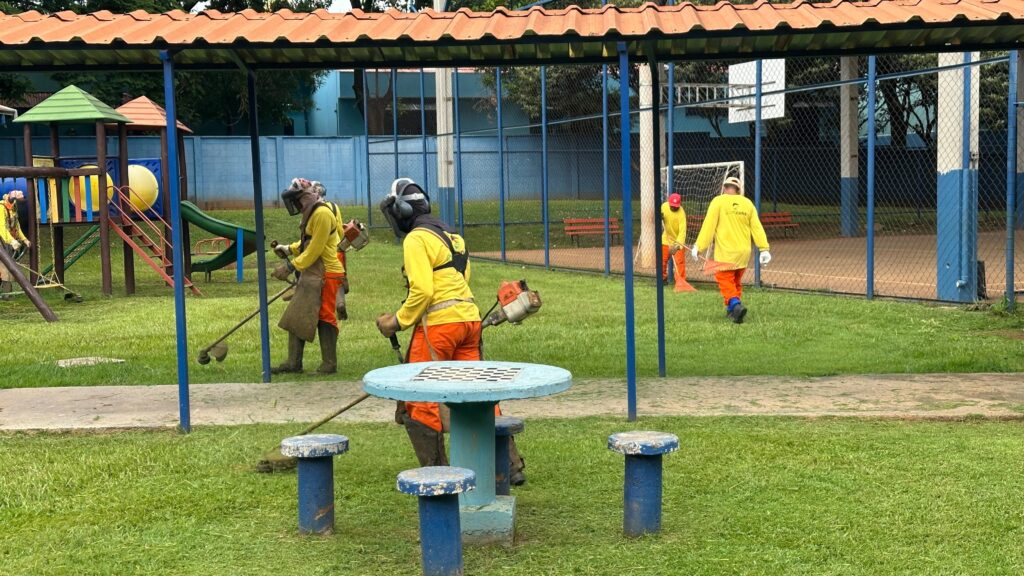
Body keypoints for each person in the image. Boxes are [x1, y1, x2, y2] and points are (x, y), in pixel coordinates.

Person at [375, 178, 525, 484]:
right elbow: (460, 280)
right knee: (476, 395)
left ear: (402, 211)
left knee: (418, 398)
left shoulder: (416, 238)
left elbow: (423, 292)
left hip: (441, 326)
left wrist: (397, 322)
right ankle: (508, 467)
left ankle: (437, 475)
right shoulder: (453, 237)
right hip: (468, 323)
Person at [271, 178, 344, 374]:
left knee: (325, 316)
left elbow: (315, 249)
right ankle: (293, 364)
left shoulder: (321, 214)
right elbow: (307, 243)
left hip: (328, 272)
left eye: (296, 200)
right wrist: (288, 249)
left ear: (305, 197)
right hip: (313, 271)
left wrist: (289, 266)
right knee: (297, 313)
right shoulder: (311, 214)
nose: (294, 205)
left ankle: (329, 364)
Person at [691, 176, 771, 324]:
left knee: (725, 280)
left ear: (724, 188)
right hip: (743, 253)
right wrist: (764, 248)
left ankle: (735, 305)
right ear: (738, 190)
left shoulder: (718, 201)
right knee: (735, 281)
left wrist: (699, 246)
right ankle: (731, 311)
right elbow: (757, 227)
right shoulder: (747, 203)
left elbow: (709, 226)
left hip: (726, 253)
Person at [660, 192, 696, 293]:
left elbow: (682, 232)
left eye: (676, 207)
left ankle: (681, 282)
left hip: (678, 241)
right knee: (662, 261)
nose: (674, 208)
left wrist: (677, 246)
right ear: (669, 203)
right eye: (672, 206)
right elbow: (659, 217)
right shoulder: (664, 207)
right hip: (666, 238)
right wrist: (660, 217)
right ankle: (662, 279)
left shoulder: (681, 214)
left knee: (679, 262)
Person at [0, 190, 29, 300]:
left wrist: (24, 239)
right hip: (3, 241)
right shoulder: (1, 208)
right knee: (6, 267)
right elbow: (1, 228)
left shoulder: (13, 208)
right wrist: (12, 241)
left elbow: (16, 226)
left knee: (9, 266)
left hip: (7, 241)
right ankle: (6, 295)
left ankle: (7, 293)